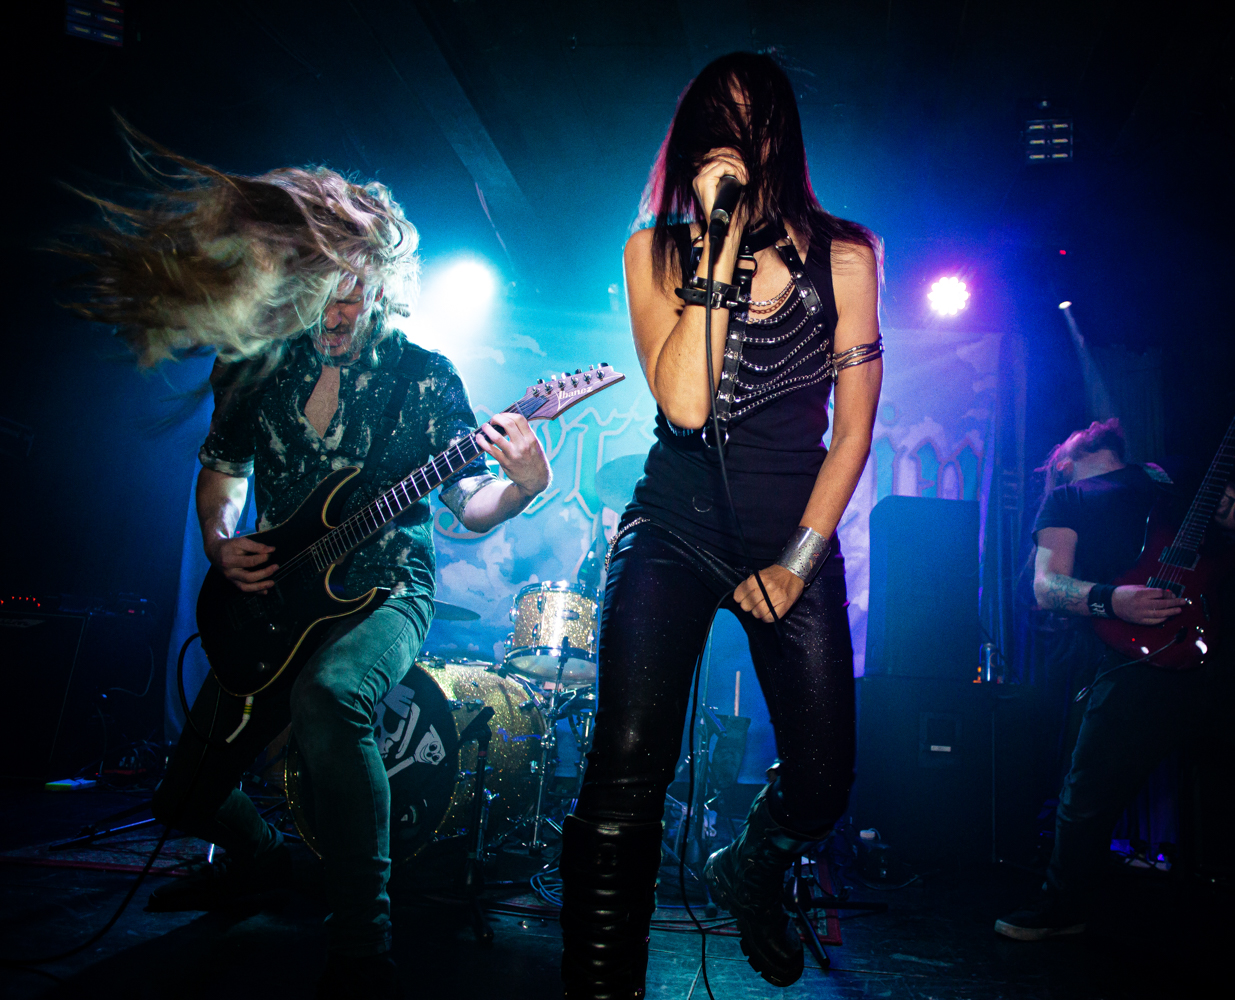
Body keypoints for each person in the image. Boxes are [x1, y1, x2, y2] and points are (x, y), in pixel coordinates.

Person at [62, 140, 550, 995]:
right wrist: (220, 542)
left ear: (383, 285)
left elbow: (466, 507)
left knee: (331, 695)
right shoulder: (254, 363)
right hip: (275, 596)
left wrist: (521, 488)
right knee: (183, 797)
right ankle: (261, 860)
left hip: (387, 587)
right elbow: (222, 473)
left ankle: (363, 944)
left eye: (355, 292)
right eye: (324, 291)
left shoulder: (424, 379)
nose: (339, 310)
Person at [560, 52, 883, 998]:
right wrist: (714, 249)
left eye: (753, 120)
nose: (735, 140)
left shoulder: (847, 257)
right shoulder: (654, 253)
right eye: (718, 122)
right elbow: (686, 408)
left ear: (781, 135)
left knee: (823, 783)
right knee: (625, 772)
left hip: (792, 537)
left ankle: (749, 868)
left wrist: (798, 562)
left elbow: (853, 432)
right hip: (672, 525)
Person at [995, 392, 1235, 941]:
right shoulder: (1066, 500)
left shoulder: (1174, 477)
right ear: (1062, 462)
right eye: (1078, 430)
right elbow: (1046, 587)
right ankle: (1063, 906)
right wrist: (1113, 600)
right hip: (1138, 659)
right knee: (1088, 794)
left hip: (1230, 646)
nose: (1093, 422)